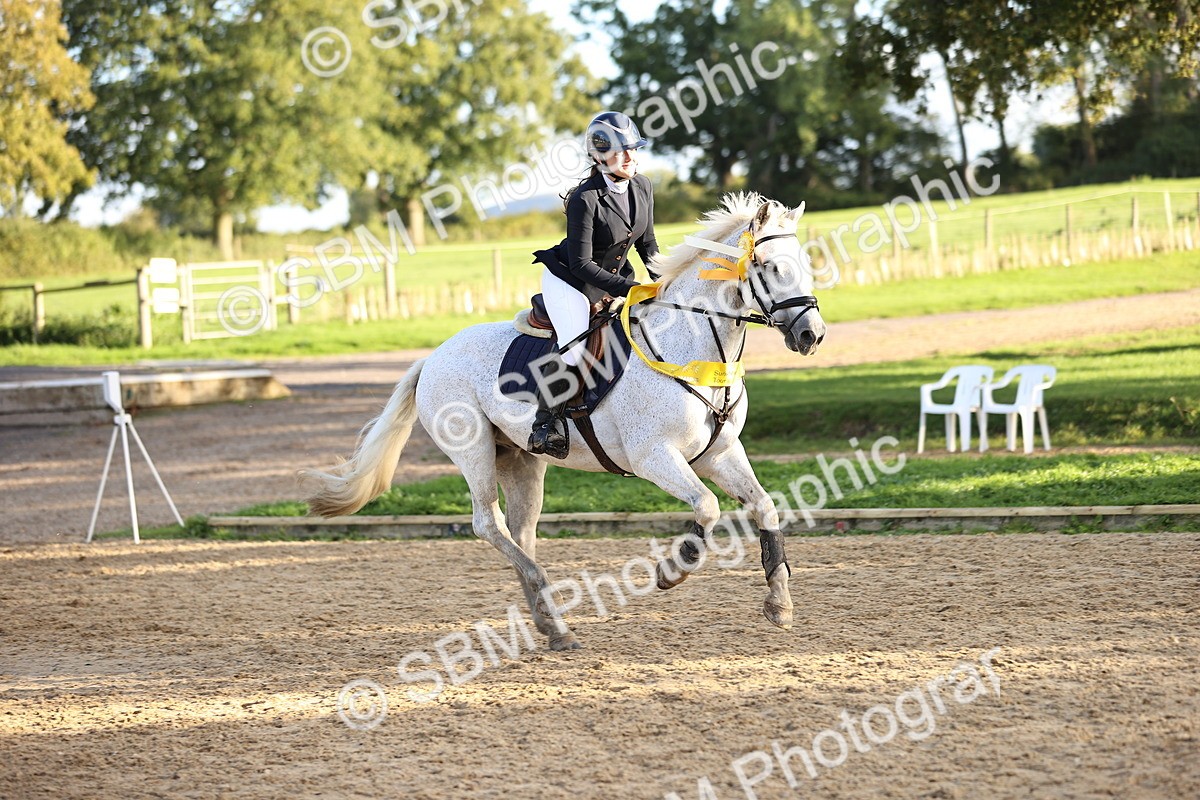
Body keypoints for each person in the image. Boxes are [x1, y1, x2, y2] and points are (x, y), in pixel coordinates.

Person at [528, 111, 660, 458]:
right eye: (621, 151)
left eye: (633, 149)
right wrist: (628, 290)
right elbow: (581, 263)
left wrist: (666, 281)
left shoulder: (643, 186)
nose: (630, 157)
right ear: (599, 156)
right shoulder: (586, 198)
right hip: (570, 280)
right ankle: (546, 423)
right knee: (575, 345)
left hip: (613, 278)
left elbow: (648, 246)